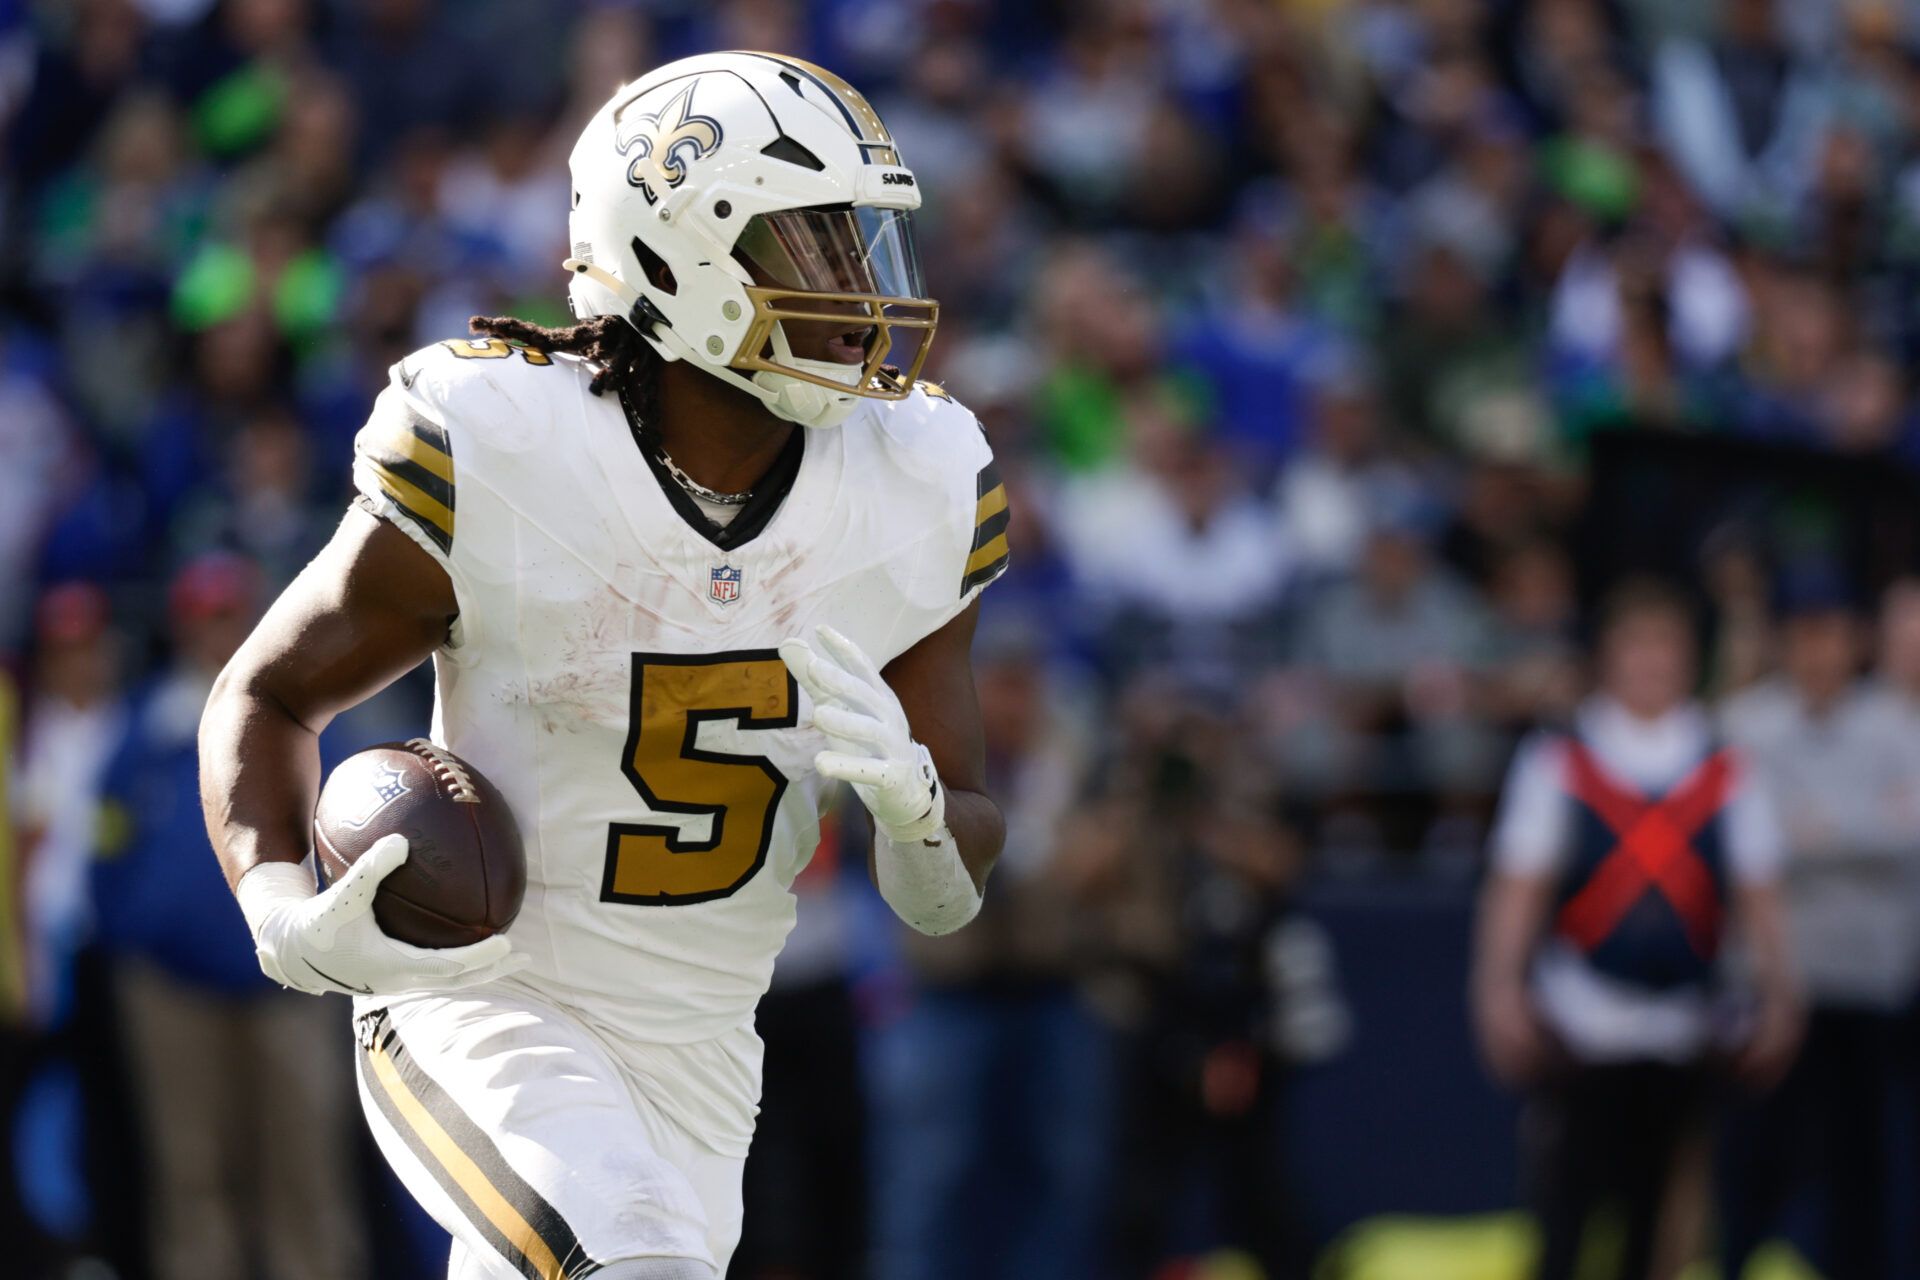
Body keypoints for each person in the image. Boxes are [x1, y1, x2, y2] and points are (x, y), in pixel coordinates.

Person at [196, 52, 1008, 1280]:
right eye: (813, 246)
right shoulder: (506, 445)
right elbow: (266, 692)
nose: (857, 289)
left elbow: (943, 899)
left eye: (861, 243)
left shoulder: (920, 479)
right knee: (629, 1259)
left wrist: (919, 810)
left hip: (704, 1052)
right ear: (681, 259)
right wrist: (276, 909)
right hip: (480, 995)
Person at [1472, 579, 1800, 1280]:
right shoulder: (1560, 757)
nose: (1651, 662)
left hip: (1682, 1027)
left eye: (1666, 645)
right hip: (1581, 1023)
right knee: (1564, 1214)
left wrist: (1781, 996)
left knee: (1655, 1221)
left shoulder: (1725, 764)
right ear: (1607, 656)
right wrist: (1498, 987)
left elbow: (1760, 891)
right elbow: (1519, 885)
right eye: (1636, 644)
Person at [93, 553, 367, 1280]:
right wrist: (133, 931)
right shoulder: (147, 724)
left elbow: (348, 823)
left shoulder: (301, 709)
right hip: (170, 986)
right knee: (190, 1171)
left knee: (304, 1167)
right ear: (184, 626)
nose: (221, 631)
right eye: (207, 617)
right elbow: (107, 837)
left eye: (232, 615)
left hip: (293, 983)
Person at [1718, 579, 1920, 1280]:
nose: (1817, 650)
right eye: (1803, 633)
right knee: (1754, 1163)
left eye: (1830, 631)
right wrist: (1865, 826)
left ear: (1856, 640)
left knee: (1862, 1169)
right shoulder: (1745, 724)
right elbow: (1750, 842)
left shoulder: (1897, 723)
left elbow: (1912, 833)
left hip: (1868, 985)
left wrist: (1809, 831)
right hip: (1773, 985)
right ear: (1781, 642)